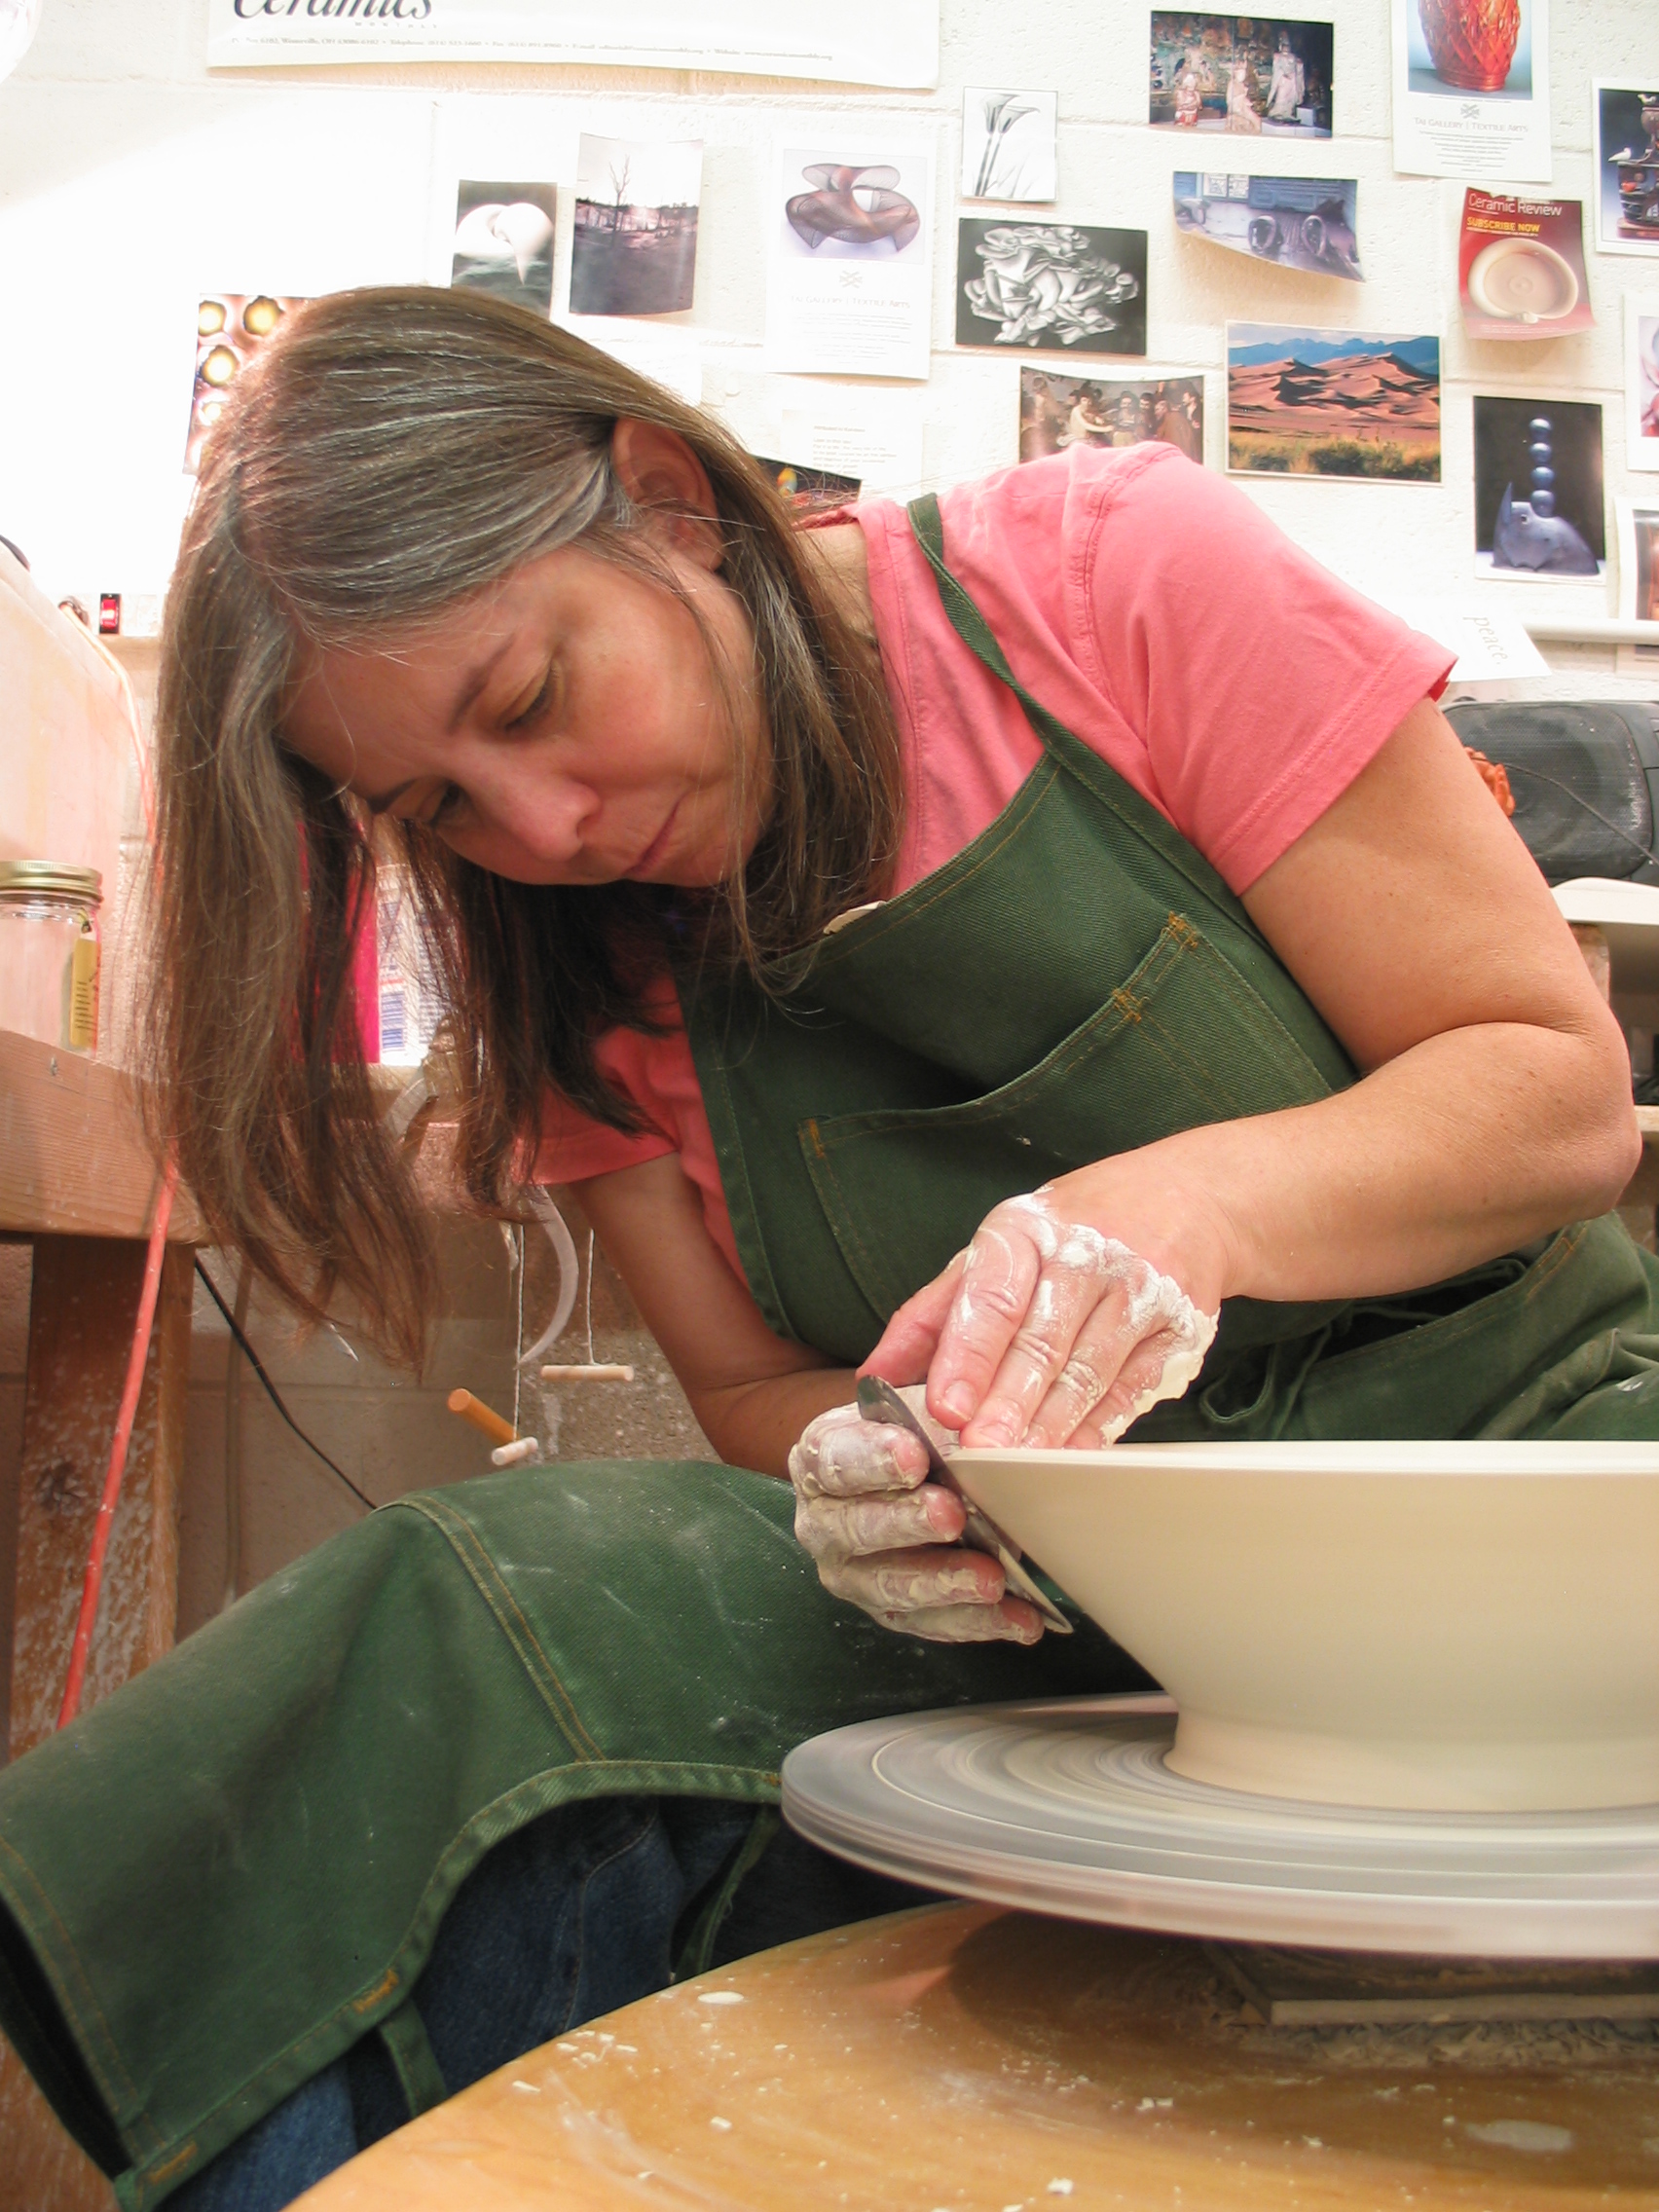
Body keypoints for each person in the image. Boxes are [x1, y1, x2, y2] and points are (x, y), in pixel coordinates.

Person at [1, 284, 1654, 2210]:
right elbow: (745, 1386)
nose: (544, 822)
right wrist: (871, 1462)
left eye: (534, 697)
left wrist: (1183, 1205)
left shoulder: (1103, 575)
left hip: (1510, 1475)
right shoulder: (561, 956)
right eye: (439, 799)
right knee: (462, 1592)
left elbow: (1549, 1092)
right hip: (1077, 1607)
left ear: (672, 499)